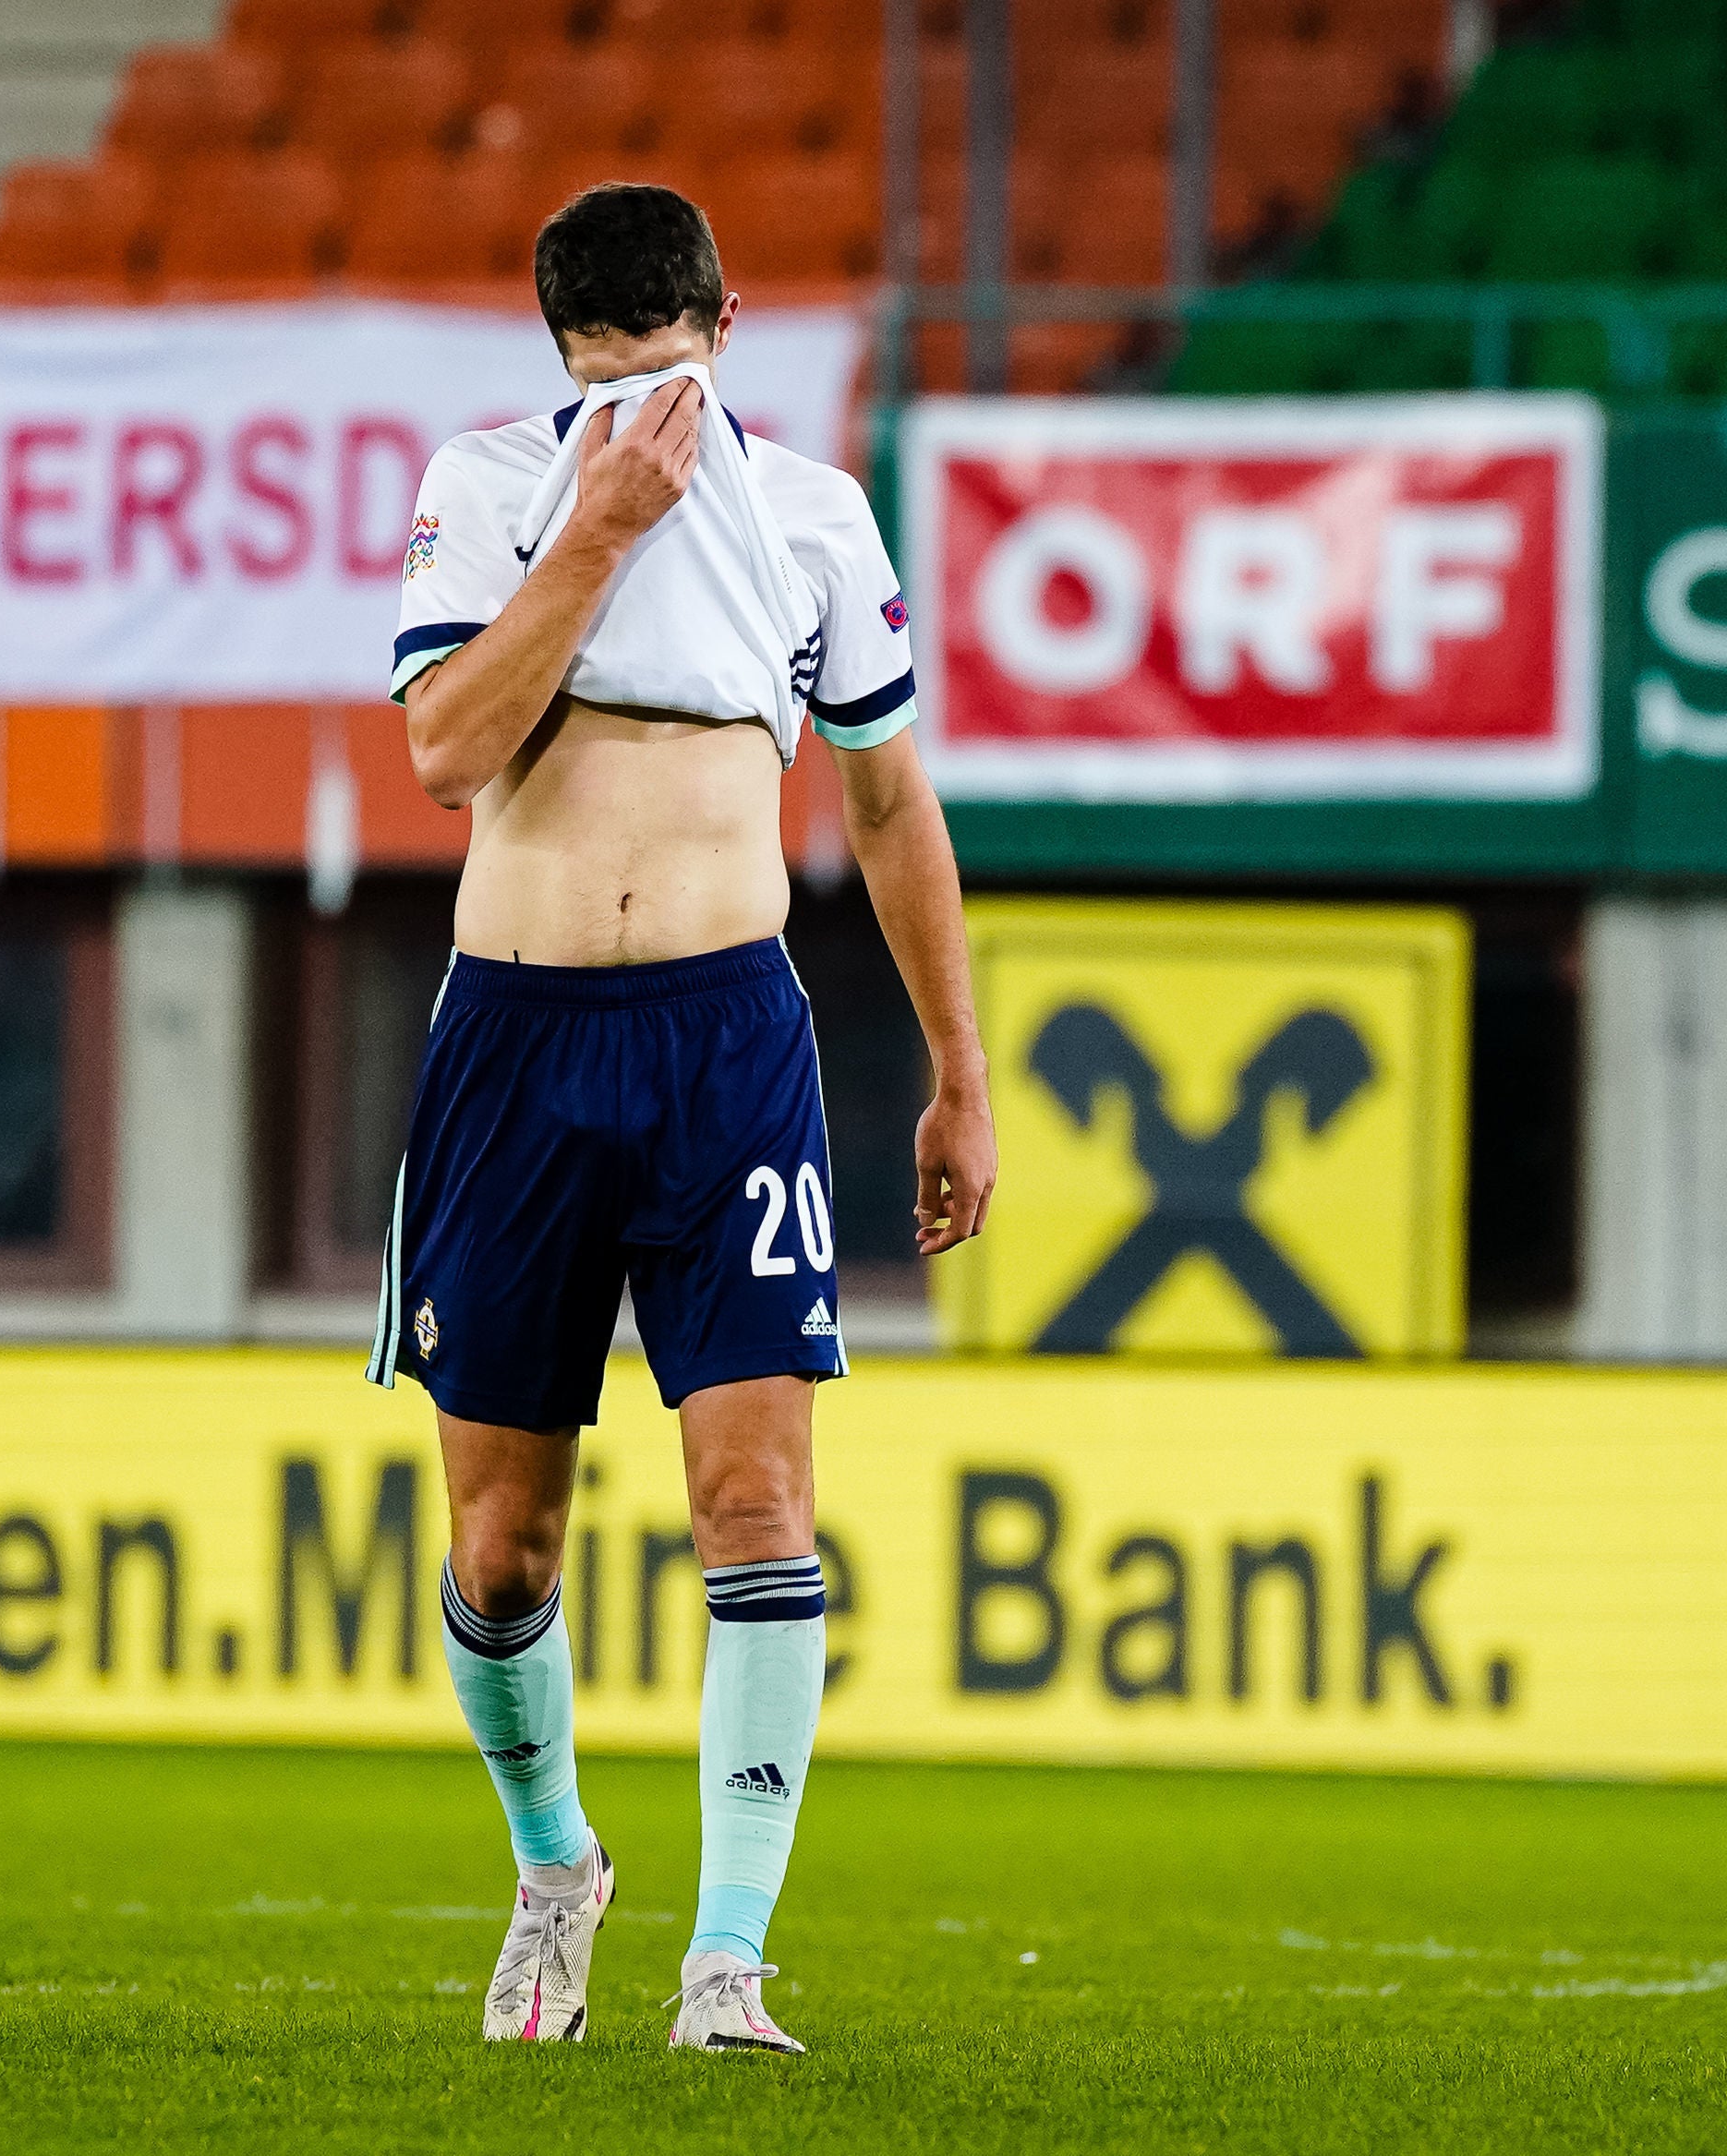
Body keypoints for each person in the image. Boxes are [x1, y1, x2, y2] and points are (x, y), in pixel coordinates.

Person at [374, 183, 996, 2054]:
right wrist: (604, 528)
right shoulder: (489, 486)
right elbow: (443, 748)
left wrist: (957, 1063)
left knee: (755, 1498)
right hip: (516, 1043)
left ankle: (726, 1956)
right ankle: (558, 1862)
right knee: (503, 1548)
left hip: (727, 1037)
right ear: (724, 306)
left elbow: (890, 808)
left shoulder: (812, 512)